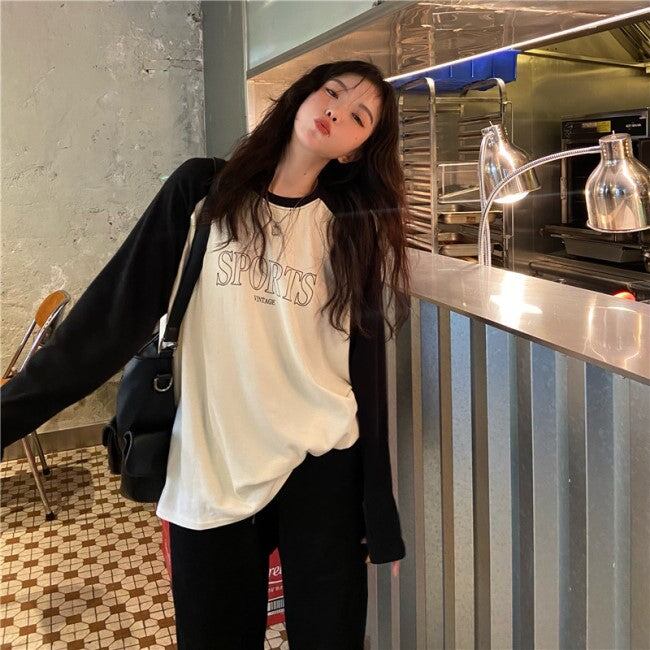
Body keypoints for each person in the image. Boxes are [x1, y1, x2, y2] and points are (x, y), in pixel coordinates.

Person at [1, 59, 412, 649]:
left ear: (356, 150)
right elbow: (107, 320)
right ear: (302, 95)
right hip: (214, 460)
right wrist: (8, 415)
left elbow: (363, 369)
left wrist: (378, 509)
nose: (335, 111)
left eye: (358, 116)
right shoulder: (203, 192)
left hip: (322, 464)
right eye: (332, 91)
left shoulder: (350, 226)